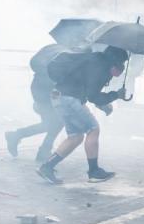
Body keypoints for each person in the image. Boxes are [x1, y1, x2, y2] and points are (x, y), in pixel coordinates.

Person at [36, 46, 129, 184]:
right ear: (114, 62)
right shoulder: (101, 67)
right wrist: (116, 95)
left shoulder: (95, 60)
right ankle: (94, 171)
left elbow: (87, 88)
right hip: (69, 98)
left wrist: (104, 102)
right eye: (121, 64)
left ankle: (47, 167)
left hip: (58, 95)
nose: (122, 67)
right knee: (93, 129)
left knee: (76, 136)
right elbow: (93, 96)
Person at [4, 44, 67, 162]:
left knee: (51, 123)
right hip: (51, 89)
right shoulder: (67, 53)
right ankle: (43, 151)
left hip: (38, 86)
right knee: (57, 121)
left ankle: (17, 136)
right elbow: (58, 81)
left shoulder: (54, 47)